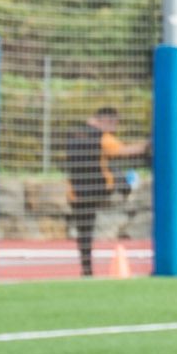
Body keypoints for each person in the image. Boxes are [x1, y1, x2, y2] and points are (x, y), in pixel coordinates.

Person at [63, 109, 146, 280]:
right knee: (119, 171)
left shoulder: (74, 134)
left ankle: (87, 270)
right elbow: (124, 152)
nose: (115, 128)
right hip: (100, 190)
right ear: (106, 120)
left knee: (84, 233)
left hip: (76, 192)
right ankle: (128, 189)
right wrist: (148, 144)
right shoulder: (103, 138)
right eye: (114, 123)